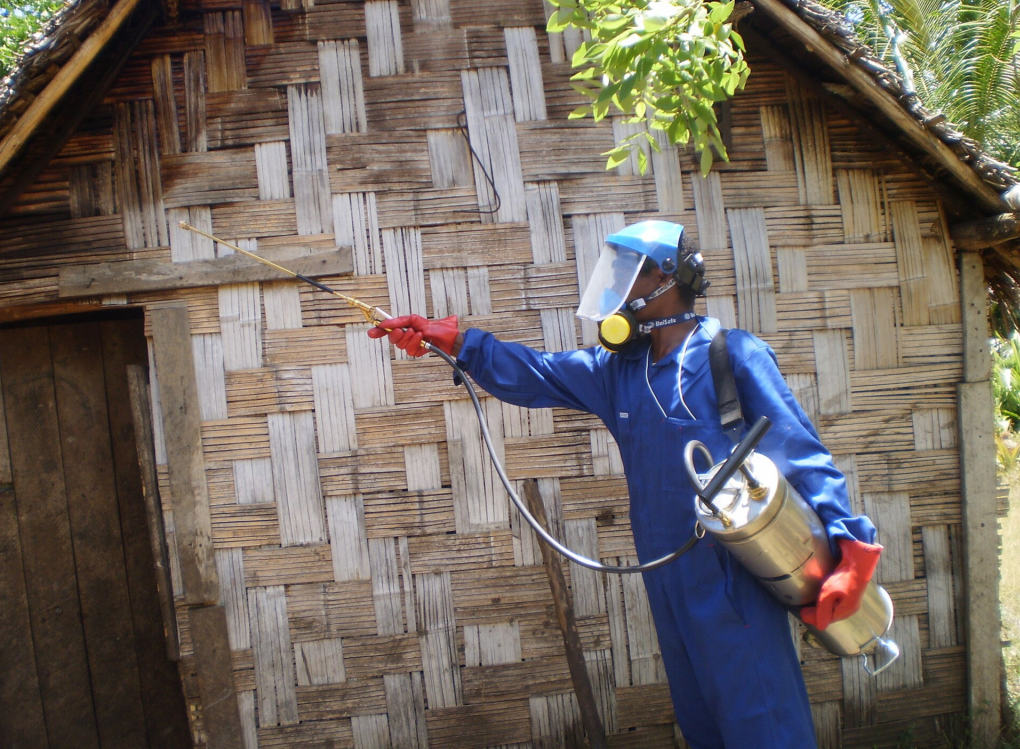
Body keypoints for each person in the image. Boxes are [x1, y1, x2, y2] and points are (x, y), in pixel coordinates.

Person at [368, 220, 881, 749]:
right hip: (665, 575)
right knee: (703, 721)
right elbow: (535, 372)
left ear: (666, 276)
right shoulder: (618, 371)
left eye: (625, 274)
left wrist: (851, 550)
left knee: (763, 723)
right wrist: (451, 340)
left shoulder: (731, 355)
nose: (614, 288)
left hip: (732, 576)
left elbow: (801, 454)